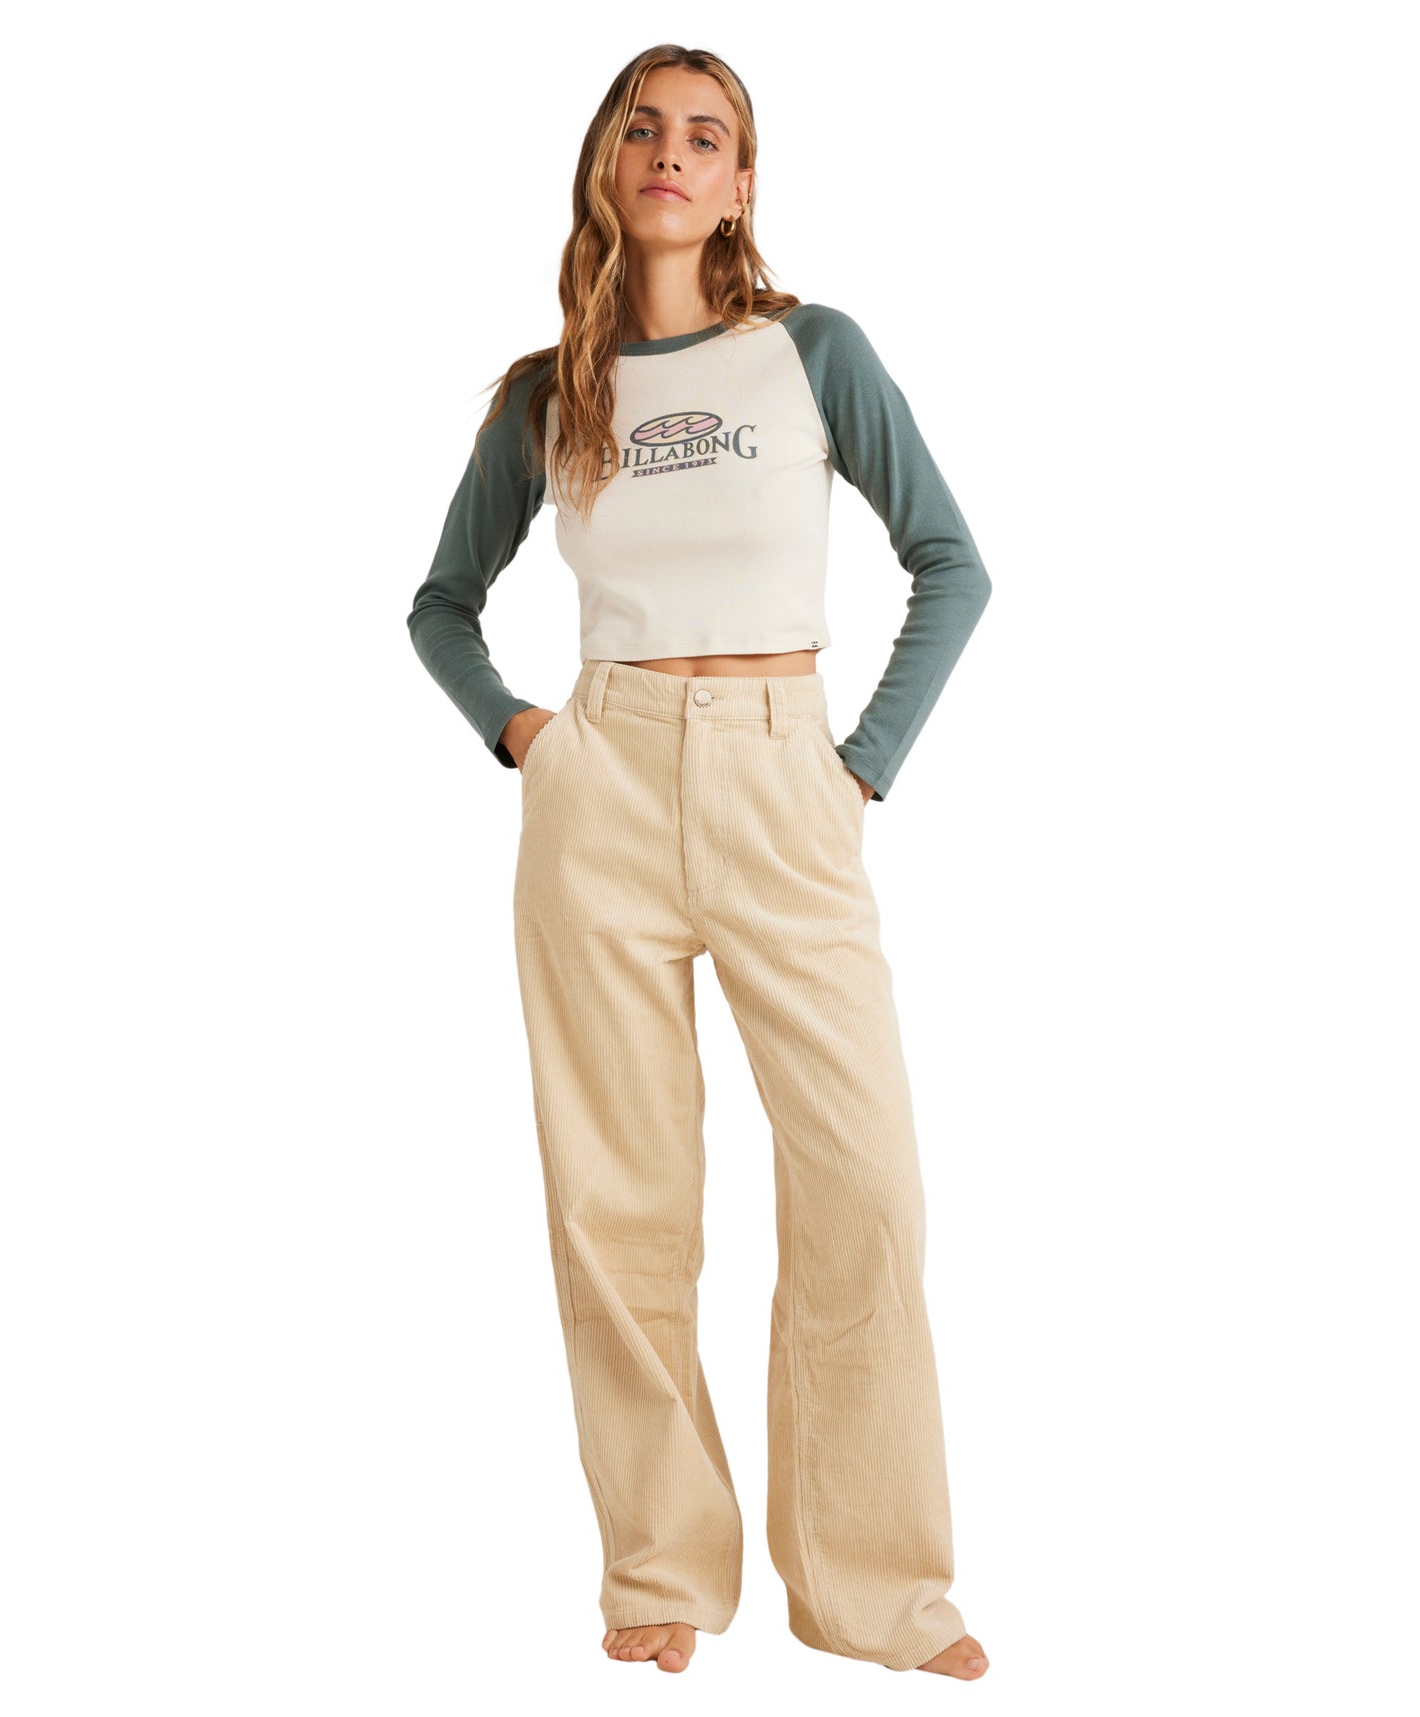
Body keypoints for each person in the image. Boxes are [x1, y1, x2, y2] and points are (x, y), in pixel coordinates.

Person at [405, 44, 993, 1681]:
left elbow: (951, 562)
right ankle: (658, 1563)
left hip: (784, 777)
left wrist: (857, 764)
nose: (671, 152)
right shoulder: (551, 393)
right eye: (644, 128)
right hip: (598, 784)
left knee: (862, 1181)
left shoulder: (811, 353)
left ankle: (873, 1588)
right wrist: (525, 735)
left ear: (740, 185)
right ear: (609, 162)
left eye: (705, 135)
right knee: (621, 1199)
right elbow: (439, 605)